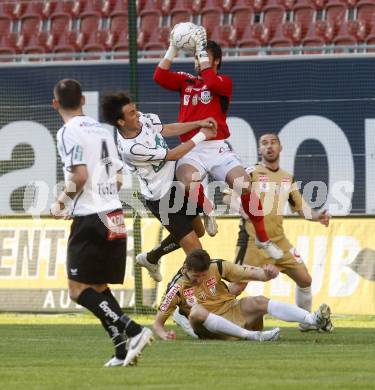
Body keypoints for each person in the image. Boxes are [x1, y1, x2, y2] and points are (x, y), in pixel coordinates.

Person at [153, 28, 282, 260]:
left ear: (216, 61)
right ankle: (208, 211)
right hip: (192, 147)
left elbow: (211, 82)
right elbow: (159, 77)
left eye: (202, 57)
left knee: (243, 184)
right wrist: (173, 47)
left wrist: (201, 51)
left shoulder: (223, 82)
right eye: (195, 57)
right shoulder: (186, 81)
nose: (197, 62)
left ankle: (263, 239)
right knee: (187, 181)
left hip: (217, 147)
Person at [50, 79, 153, 367]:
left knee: (77, 289)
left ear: (55, 104)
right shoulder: (103, 131)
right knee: (97, 287)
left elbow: (80, 176)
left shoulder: (67, 132)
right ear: (83, 100)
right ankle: (122, 350)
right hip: (114, 214)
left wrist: (61, 203)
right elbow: (119, 177)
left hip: (91, 217)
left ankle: (133, 331)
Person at [101, 91, 217, 282]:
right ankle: (190, 300)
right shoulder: (131, 148)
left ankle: (151, 258)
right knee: (198, 255)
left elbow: (167, 129)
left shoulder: (142, 120)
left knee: (198, 231)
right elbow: (172, 155)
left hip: (175, 183)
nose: (137, 114)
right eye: (131, 113)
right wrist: (201, 136)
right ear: (120, 122)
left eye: (135, 109)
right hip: (161, 198)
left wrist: (199, 123)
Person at [223, 133, 331, 331]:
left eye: (273, 143)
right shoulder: (251, 172)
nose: (269, 146)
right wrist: (242, 210)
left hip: (279, 243)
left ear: (280, 148)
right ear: (259, 150)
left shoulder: (287, 178)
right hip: (253, 242)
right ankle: (205, 314)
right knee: (237, 287)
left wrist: (319, 217)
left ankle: (306, 323)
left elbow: (302, 209)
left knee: (305, 279)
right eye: (264, 143)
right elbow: (227, 197)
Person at [153, 249, 333, 341]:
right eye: (195, 276)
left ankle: (312, 319)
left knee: (257, 300)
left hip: (231, 310)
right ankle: (253, 336)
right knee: (197, 311)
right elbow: (158, 324)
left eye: (203, 275)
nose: (199, 280)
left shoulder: (218, 266)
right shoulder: (175, 288)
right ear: (185, 269)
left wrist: (267, 274)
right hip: (208, 329)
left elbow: (252, 274)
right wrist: (164, 334)